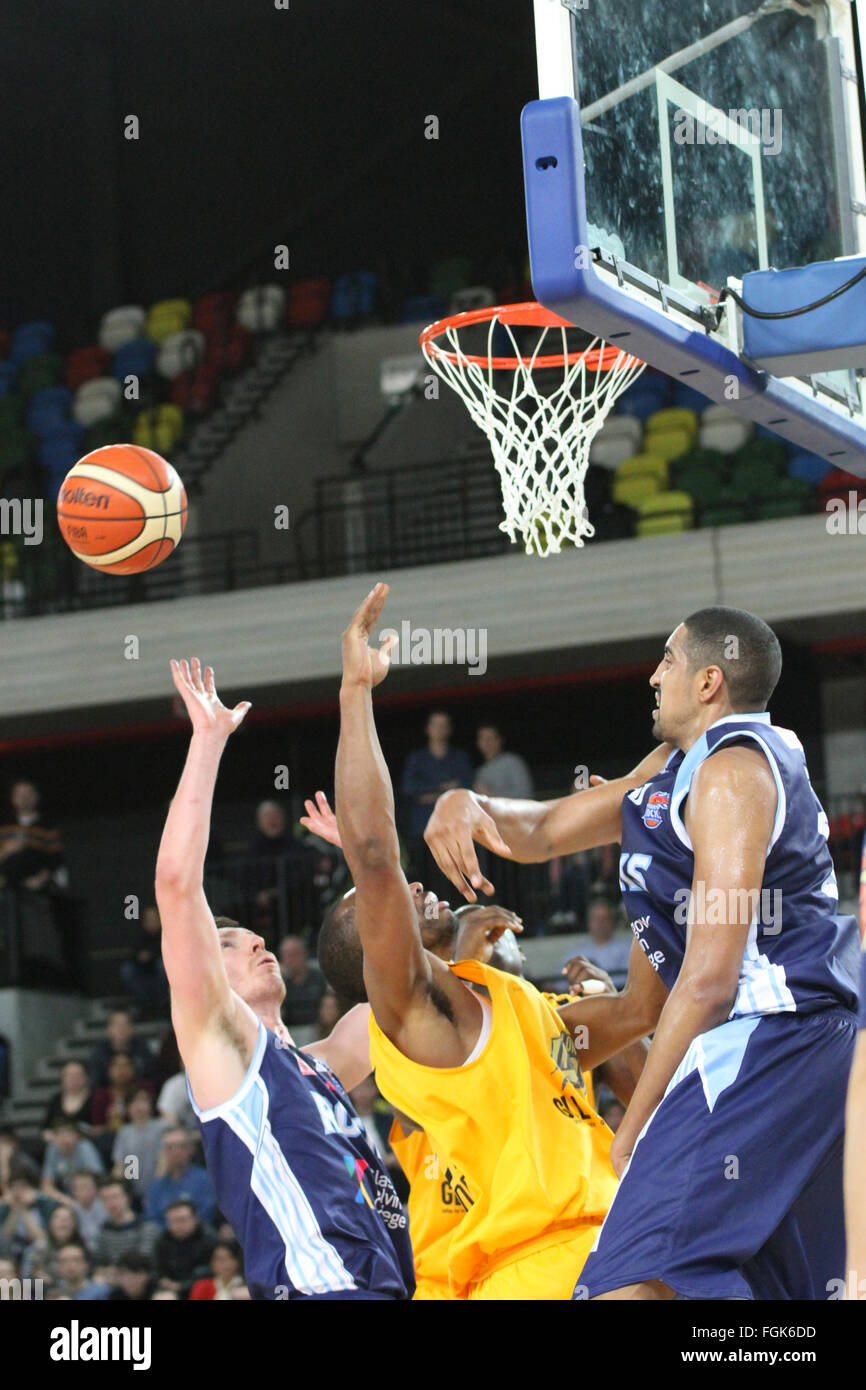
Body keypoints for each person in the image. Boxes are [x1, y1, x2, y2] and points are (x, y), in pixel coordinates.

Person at [425, 605, 860, 1300]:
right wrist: (463, 802)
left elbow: (712, 979)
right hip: (800, 1050)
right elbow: (541, 832)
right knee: (772, 1290)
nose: (654, 675)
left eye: (668, 660)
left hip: (773, 1037)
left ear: (709, 681)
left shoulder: (735, 774)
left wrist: (644, 1115)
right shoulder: (677, 770)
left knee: (631, 1283)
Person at [322, 584, 619, 1301]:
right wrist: (355, 692)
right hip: (514, 1272)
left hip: (594, 1249)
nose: (403, 888)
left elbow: (645, 1012)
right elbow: (370, 849)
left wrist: (644, 827)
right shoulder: (402, 1010)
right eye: (375, 904)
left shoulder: (504, 997)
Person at [154, 656, 414, 1300]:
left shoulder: (322, 1062)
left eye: (255, 937)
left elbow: (406, 975)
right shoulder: (226, 1052)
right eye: (228, 944)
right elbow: (176, 885)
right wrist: (208, 741)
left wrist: (367, 866)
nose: (256, 943)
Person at [399, 712, 473, 891]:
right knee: (424, 883)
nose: (439, 730)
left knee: (454, 880)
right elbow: (408, 788)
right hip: (422, 831)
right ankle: (428, 918)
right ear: (428, 729)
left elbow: (465, 787)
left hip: (453, 830)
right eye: (436, 725)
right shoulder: (417, 758)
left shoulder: (459, 757)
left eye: (443, 725)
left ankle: (453, 917)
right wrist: (443, 789)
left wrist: (428, 794)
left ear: (449, 730)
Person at [143, 1127, 217, 1229]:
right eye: (170, 1147)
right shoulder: (156, 1186)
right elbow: (151, 1219)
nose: (176, 1152)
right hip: (164, 1240)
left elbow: (207, 1214)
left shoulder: (205, 1180)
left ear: (191, 1149)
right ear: (163, 1151)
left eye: (181, 1146)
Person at [560, 898, 632, 990]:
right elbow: (560, 984)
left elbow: (629, 984)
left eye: (605, 918)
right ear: (589, 922)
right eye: (595, 918)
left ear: (613, 921)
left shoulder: (627, 950)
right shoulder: (575, 952)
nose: (600, 923)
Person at [111, 1086, 169, 1195]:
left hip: (161, 1188)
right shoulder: (125, 1132)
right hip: (134, 1190)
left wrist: (154, 1190)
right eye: (134, 1102)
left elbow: (164, 1162)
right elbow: (121, 1166)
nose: (139, 1106)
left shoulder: (162, 1127)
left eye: (143, 1101)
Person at [153, 1199, 216, 1299]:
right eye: (173, 1221)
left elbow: (210, 1271)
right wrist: (163, 1281)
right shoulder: (163, 1240)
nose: (178, 1225)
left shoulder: (209, 1239)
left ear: (196, 1219)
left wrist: (182, 1286)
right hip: (171, 1289)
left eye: (182, 1219)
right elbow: (157, 1269)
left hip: (202, 1287)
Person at [278, 934, 327, 1045]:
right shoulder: (280, 981)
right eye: (286, 955)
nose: (290, 959)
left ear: (304, 954)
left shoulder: (317, 977)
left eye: (294, 954)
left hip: (315, 1028)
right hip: (288, 1029)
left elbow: (328, 998)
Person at [87, 1009, 153, 1089]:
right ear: (109, 1029)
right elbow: (96, 1081)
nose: (121, 1028)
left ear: (132, 1028)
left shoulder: (143, 1049)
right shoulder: (98, 1052)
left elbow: (150, 1077)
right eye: (117, 1024)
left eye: (125, 1024)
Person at [121, 904, 169, 1014]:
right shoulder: (139, 936)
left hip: (161, 971)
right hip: (143, 970)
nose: (151, 922)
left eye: (154, 919)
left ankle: (162, 1002)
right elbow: (132, 954)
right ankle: (143, 1003)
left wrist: (151, 955)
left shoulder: (166, 934)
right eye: (148, 920)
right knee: (127, 970)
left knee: (162, 966)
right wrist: (140, 957)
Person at [41, 1121, 103, 1202]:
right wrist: (65, 1200)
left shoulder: (85, 1147)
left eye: (69, 1134)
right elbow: (46, 1185)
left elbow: (96, 1180)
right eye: (60, 1134)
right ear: (54, 1138)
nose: (65, 1139)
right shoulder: (52, 1149)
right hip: (66, 1196)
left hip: (89, 1195)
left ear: (77, 1136)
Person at [473, 725, 534, 800]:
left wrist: (492, 795)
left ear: (500, 740)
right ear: (478, 743)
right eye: (483, 738)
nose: (487, 742)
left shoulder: (513, 762)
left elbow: (525, 795)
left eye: (491, 738)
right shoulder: (479, 772)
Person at [43, 1061, 94, 1134]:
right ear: (62, 1078)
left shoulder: (95, 1098)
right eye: (69, 1075)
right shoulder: (56, 1099)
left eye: (77, 1075)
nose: (73, 1079)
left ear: (86, 1077)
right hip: (59, 1142)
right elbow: (45, 1128)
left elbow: (100, 1128)